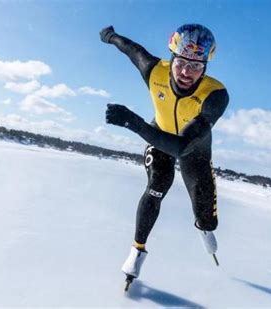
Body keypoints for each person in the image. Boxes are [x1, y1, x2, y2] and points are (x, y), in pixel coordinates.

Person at [99, 24, 229, 288]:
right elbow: (132, 50)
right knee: (158, 184)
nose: (186, 72)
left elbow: (182, 147)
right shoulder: (153, 69)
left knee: (207, 218)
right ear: (172, 58)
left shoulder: (215, 95)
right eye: (181, 62)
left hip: (194, 152)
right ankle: (137, 251)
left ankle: (204, 226)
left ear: (205, 68)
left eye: (195, 66)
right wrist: (111, 37)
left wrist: (132, 123)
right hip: (158, 138)